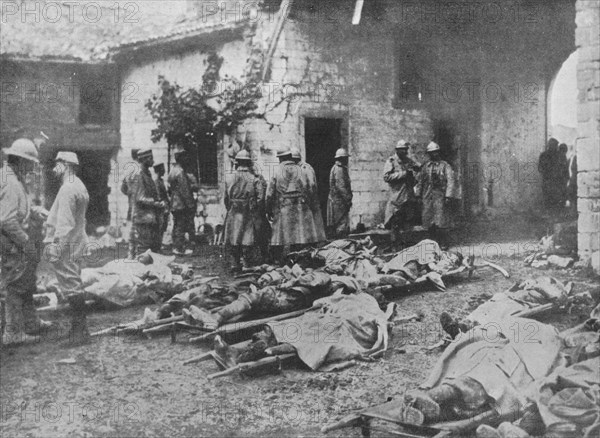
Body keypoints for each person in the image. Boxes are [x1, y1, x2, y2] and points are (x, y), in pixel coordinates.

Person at [0, 139, 51, 345]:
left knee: (26, 282)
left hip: (15, 238)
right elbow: (7, 220)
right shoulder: (11, 183)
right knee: (14, 284)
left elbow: (19, 210)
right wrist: (26, 242)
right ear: (20, 161)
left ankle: (31, 322)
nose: (32, 167)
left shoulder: (13, 177)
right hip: (12, 241)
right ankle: (12, 332)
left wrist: (35, 213)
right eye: (30, 162)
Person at [44, 151, 91, 344]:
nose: (55, 166)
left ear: (66, 165)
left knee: (71, 287)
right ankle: (79, 329)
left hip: (66, 245)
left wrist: (56, 249)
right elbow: (70, 216)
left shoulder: (66, 189)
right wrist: (47, 215)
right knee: (75, 283)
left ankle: (80, 332)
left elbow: (65, 223)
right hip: (76, 241)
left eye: (58, 163)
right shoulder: (78, 185)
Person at [266, 147, 324, 263]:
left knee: (281, 237)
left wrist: (269, 209)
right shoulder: (303, 170)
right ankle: (299, 259)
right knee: (300, 235)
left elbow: (269, 194)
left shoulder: (277, 172)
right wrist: (309, 203)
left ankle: (281, 261)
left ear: (281, 158)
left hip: (284, 208)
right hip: (301, 207)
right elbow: (311, 187)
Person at [223, 150, 269, 271]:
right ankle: (246, 262)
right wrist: (258, 212)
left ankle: (234, 262)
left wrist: (230, 208)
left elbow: (226, 198)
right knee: (247, 237)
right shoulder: (254, 179)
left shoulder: (229, 178)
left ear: (237, 162)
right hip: (248, 211)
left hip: (233, 210)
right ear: (249, 163)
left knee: (234, 236)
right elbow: (260, 198)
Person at [415, 142, 455, 249]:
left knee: (440, 218)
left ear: (438, 152)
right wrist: (418, 195)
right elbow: (420, 181)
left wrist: (448, 195)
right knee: (428, 218)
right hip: (427, 195)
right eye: (431, 153)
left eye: (435, 152)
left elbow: (450, 181)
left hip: (440, 195)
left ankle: (443, 242)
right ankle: (432, 243)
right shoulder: (426, 166)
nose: (433, 155)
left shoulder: (445, 166)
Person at [383, 139, 420, 246]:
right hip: (397, 196)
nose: (404, 152)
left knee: (408, 220)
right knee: (396, 221)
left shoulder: (408, 160)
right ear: (397, 150)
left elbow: (418, 167)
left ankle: (406, 243)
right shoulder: (391, 161)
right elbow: (386, 177)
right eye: (402, 150)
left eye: (405, 150)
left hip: (408, 195)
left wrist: (415, 170)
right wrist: (403, 174)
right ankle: (395, 244)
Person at [130, 148, 165, 258]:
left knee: (152, 249)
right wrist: (156, 203)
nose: (152, 160)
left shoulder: (147, 174)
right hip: (143, 218)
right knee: (144, 250)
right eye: (150, 158)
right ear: (144, 159)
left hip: (149, 218)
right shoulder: (139, 174)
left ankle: (150, 272)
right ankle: (141, 272)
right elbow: (140, 198)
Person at [290, 147, 326, 243]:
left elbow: (312, 186)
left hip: (309, 203)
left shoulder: (305, 168)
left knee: (312, 230)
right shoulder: (296, 169)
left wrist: (308, 199)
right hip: (302, 204)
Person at [168, 150, 197, 256]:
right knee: (181, 225)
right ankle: (178, 247)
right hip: (181, 204)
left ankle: (176, 246)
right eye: (185, 158)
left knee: (176, 225)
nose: (187, 160)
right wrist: (191, 205)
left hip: (174, 203)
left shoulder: (173, 170)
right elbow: (185, 191)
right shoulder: (180, 172)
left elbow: (170, 188)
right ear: (181, 159)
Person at [327, 148, 353, 238]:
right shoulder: (339, 170)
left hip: (337, 201)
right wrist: (348, 199)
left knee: (339, 225)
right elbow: (341, 187)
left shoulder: (336, 168)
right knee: (341, 226)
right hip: (339, 202)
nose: (347, 160)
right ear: (342, 158)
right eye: (345, 158)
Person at [121, 149, 140, 259]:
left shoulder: (128, 169)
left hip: (131, 203)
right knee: (139, 230)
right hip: (140, 203)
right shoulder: (140, 170)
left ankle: (130, 254)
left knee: (132, 229)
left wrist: (129, 194)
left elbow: (123, 188)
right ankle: (137, 255)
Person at [538, 138, 561, 212]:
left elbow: (540, 169)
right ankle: (551, 214)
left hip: (552, 180)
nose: (557, 147)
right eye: (555, 145)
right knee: (550, 198)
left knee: (551, 198)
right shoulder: (556, 155)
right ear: (551, 146)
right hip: (550, 180)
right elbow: (540, 168)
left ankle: (551, 214)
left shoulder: (544, 155)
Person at [153, 163, 169, 252]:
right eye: (162, 169)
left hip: (164, 206)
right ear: (158, 171)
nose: (164, 171)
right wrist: (162, 203)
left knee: (163, 226)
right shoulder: (156, 182)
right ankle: (157, 246)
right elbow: (158, 195)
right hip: (160, 208)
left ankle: (159, 244)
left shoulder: (161, 181)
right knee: (159, 225)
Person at [558, 143, 569, 211]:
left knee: (563, 192)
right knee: (560, 192)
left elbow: (566, 168)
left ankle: (562, 206)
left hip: (562, 178)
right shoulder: (558, 156)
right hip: (559, 178)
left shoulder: (564, 156)